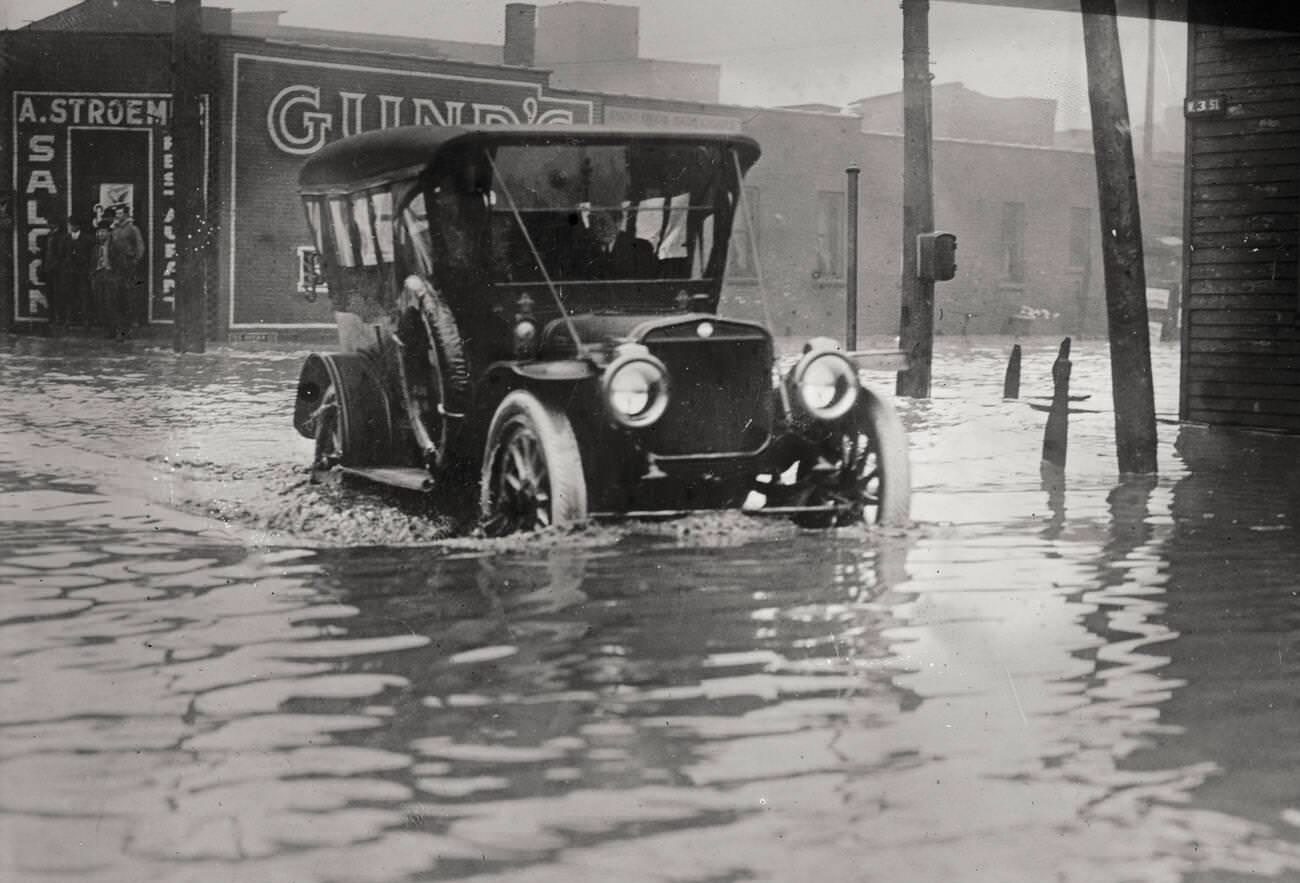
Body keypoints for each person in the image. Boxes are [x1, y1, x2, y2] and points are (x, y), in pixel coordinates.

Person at [43, 216, 96, 330]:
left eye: (74, 225)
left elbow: (91, 255)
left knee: (84, 296)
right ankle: (69, 320)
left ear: (78, 226)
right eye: (71, 225)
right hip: (69, 272)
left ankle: (86, 321)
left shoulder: (87, 239)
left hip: (82, 272)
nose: (72, 227)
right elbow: (61, 255)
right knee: (69, 296)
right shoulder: (65, 239)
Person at [580, 209, 657, 279]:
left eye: (605, 222)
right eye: (597, 223)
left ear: (618, 222)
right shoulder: (583, 249)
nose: (602, 228)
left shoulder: (641, 248)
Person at [106, 205, 145, 339]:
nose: (118, 215)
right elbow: (109, 246)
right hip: (116, 267)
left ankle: (127, 330)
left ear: (126, 215)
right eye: (117, 213)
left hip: (128, 267)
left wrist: (134, 261)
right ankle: (117, 329)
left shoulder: (133, 229)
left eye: (120, 213)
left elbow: (140, 247)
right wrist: (110, 262)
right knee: (116, 298)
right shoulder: (114, 230)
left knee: (128, 298)